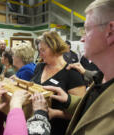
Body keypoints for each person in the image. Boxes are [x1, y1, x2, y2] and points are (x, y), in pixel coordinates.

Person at [44, 0, 114, 134]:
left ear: (110, 31)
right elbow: (94, 111)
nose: (82, 39)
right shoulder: (101, 79)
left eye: (87, 29)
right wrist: (69, 100)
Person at [31, 31, 86, 135]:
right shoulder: (40, 67)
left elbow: (80, 111)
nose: (40, 54)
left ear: (54, 47)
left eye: (43, 50)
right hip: (37, 126)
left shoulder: (72, 73)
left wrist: (55, 113)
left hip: (58, 129)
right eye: (39, 50)